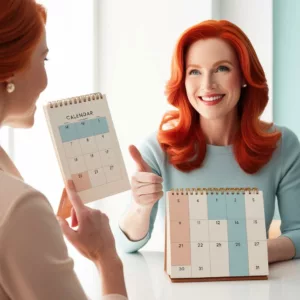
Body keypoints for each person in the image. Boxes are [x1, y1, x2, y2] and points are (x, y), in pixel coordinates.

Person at [118, 19, 300, 264]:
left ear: (245, 76)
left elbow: (298, 233)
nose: (207, 85)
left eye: (222, 68)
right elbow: (126, 246)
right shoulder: (156, 149)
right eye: (194, 71)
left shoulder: (282, 144)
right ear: (183, 80)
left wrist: (249, 254)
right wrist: (140, 206)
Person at [0, 0, 127, 299]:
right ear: (10, 72)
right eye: (43, 59)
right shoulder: (18, 207)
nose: (46, 80)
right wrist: (106, 257)